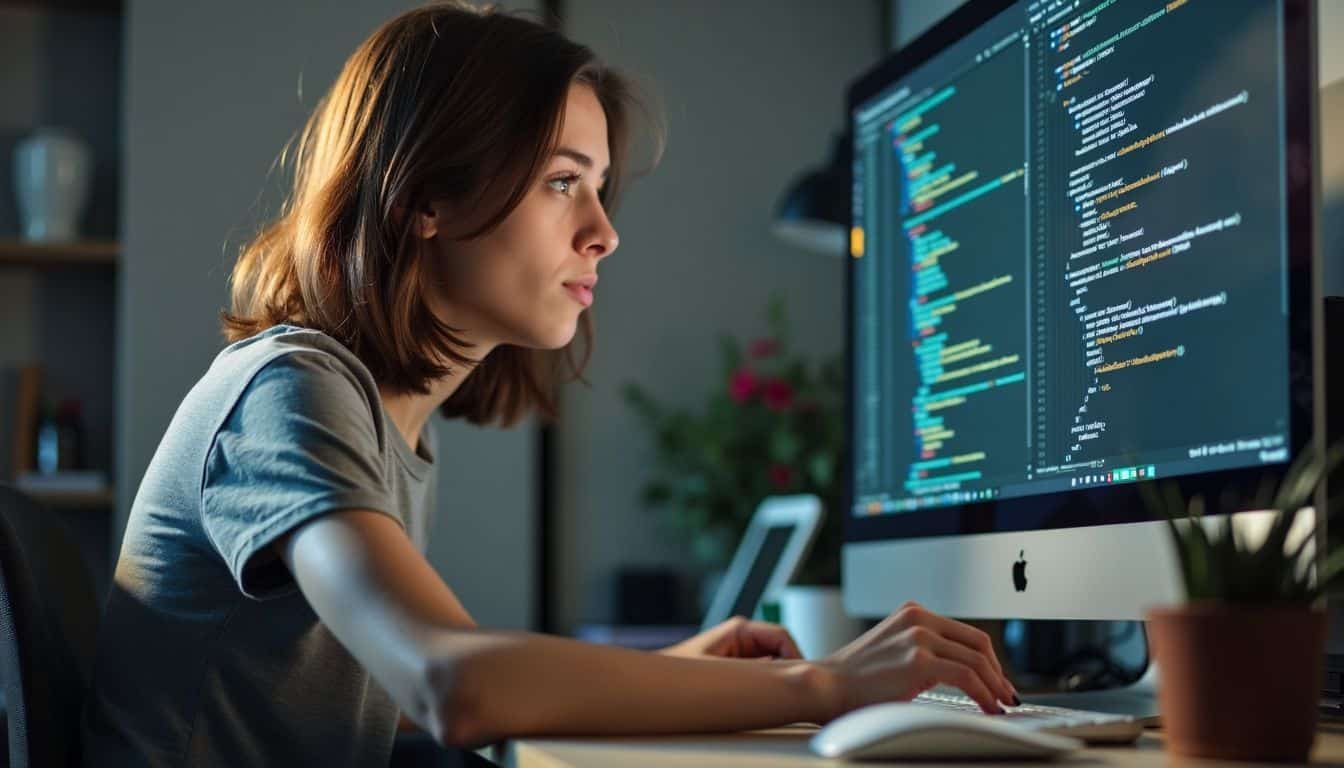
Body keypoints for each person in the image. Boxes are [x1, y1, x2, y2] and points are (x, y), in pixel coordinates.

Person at [81, 3, 1020, 765]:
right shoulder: (289, 389)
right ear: (423, 199)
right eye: (562, 182)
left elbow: (373, 709)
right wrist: (822, 686)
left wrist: (684, 677)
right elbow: (451, 684)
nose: (604, 232)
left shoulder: (393, 425)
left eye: (602, 188)